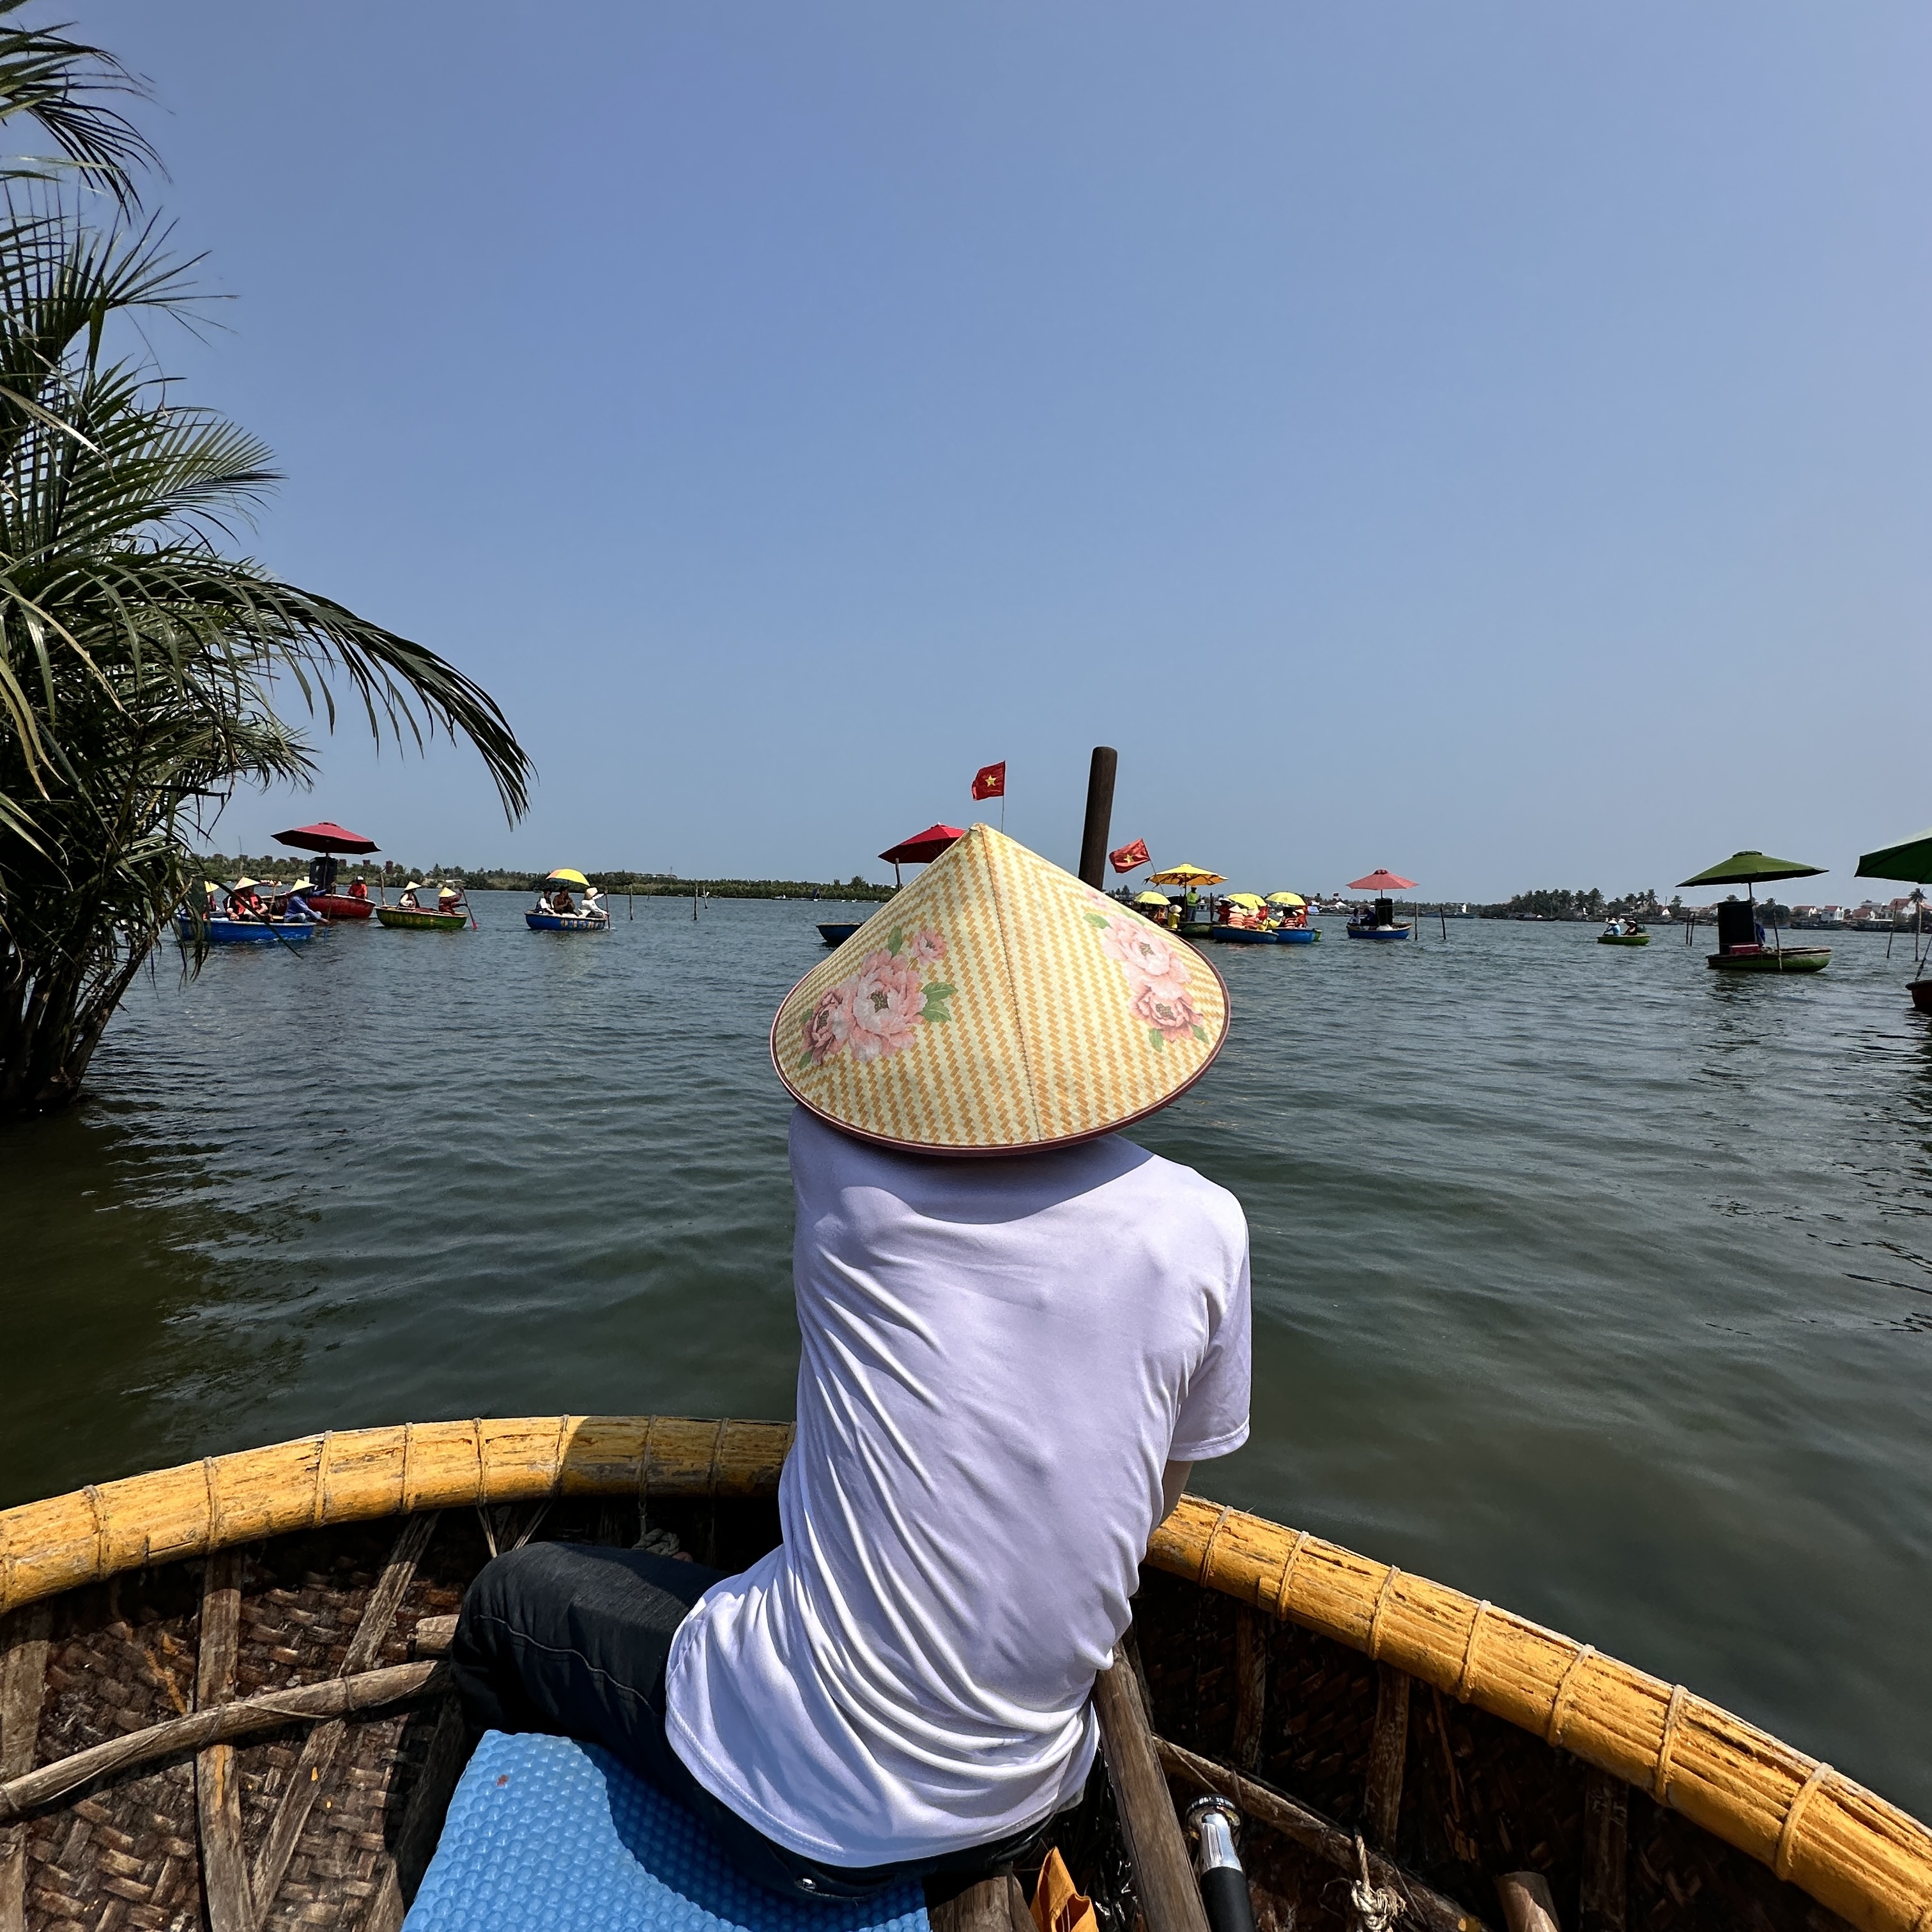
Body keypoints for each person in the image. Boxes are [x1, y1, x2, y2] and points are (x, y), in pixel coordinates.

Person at [452, 825, 1249, 1900]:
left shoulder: (840, 1170)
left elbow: (839, 1083)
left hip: (795, 1808)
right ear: (1107, 1044)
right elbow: (1160, 1493)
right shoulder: (1207, 1226)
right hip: (1030, 1799)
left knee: (512, 1597)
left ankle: (493, 1860)